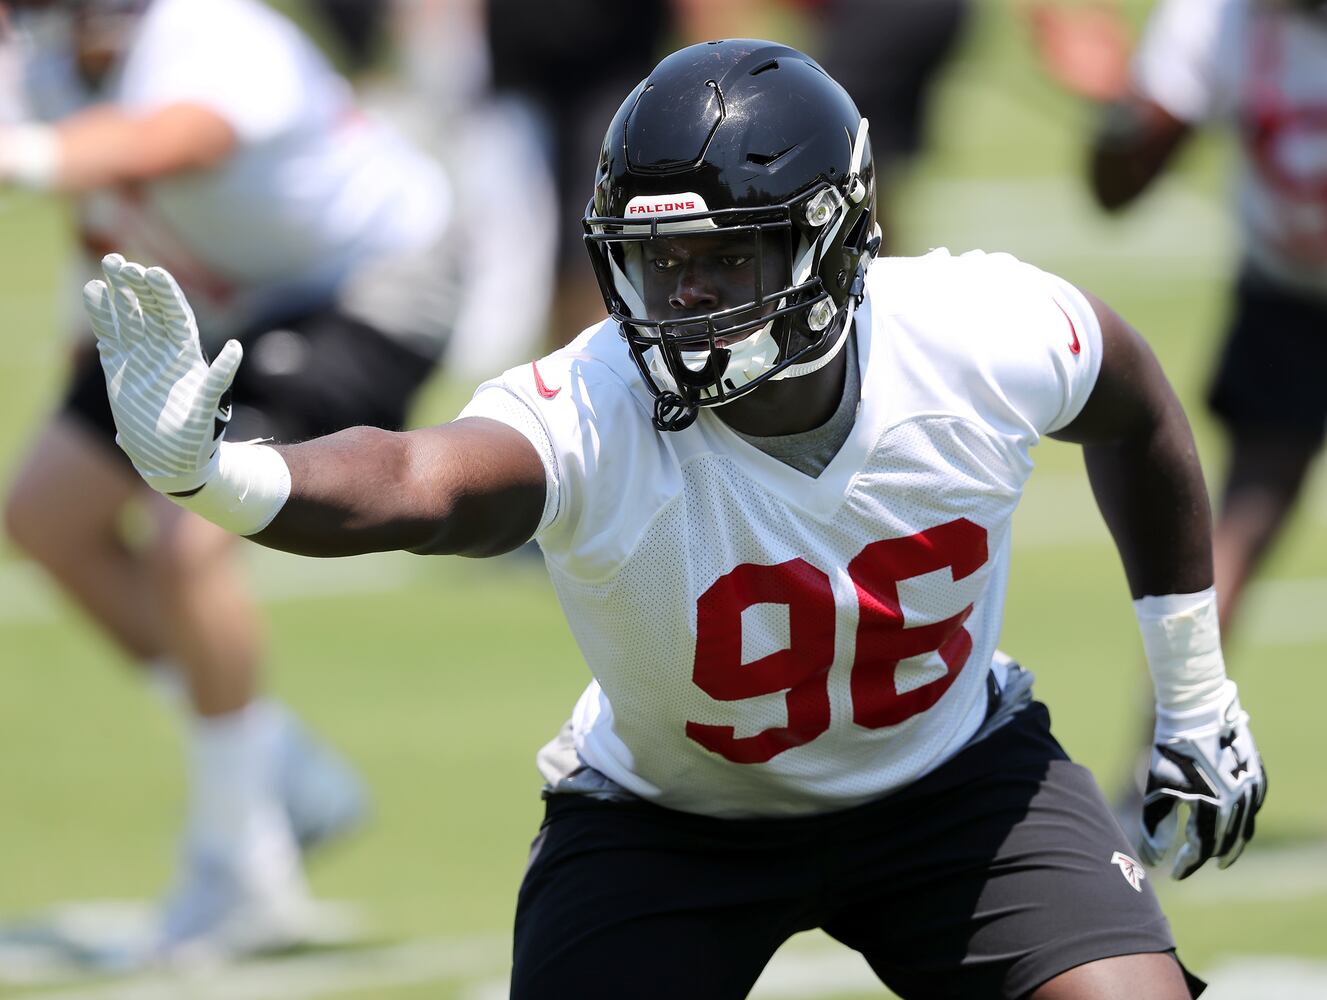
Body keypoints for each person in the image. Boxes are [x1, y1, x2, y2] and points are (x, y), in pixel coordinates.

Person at [84, 39, 1264, 997]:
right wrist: (220, 476)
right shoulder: (596, 404)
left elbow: (1138, 410)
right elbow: (411, 482)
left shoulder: (977, 334)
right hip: (670, 824)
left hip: (952, 787)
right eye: (656, 265)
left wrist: (1194, 690)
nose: (682, 301)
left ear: (834, 240)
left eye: (722, 260)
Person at [0, 0, 455, 962]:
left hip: (367, 284)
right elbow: (105, 210)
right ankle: (275, 766)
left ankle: (243, 870)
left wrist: (28, 156)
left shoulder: (214, 31)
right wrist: (90, 352)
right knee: (46, 514)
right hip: (216, 297)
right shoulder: (50, 57)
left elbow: (171, 140)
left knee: (188, 539)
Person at [1028, 0, 1327, 638]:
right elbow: (1118, 190)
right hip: (1289, 295)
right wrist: (1119, 106)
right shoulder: (1217, 16)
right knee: (1238, 527)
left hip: (1286, 285)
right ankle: (1181, 731)